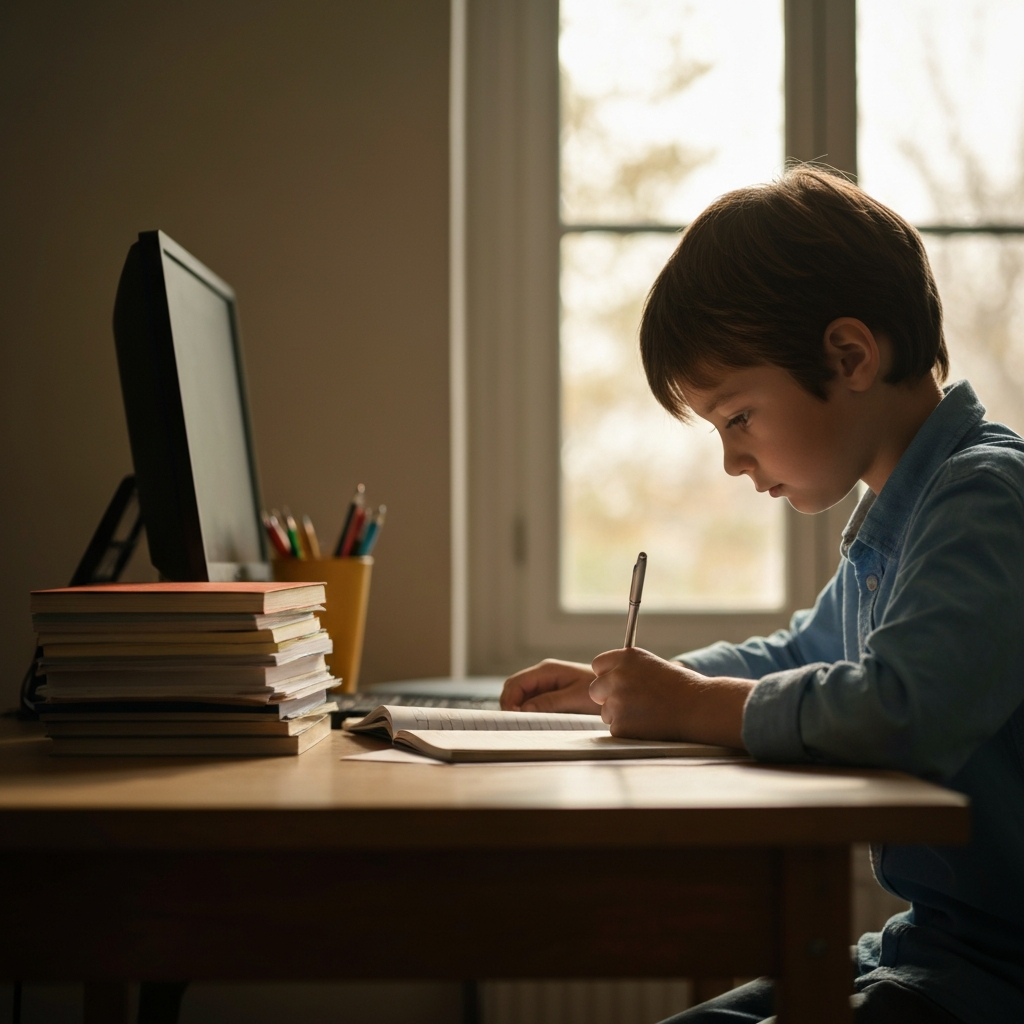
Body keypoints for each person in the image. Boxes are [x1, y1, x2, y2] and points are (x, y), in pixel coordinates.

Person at [501, 166, 1024, 1024]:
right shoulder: (900, 518)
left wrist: (691, 705)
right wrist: (625, 691)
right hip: (935, 947)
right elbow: (801, 655)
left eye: (737, 417)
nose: (732, 460)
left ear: (851, 357)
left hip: (998, 975)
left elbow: (901, 712)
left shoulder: (986, 498)